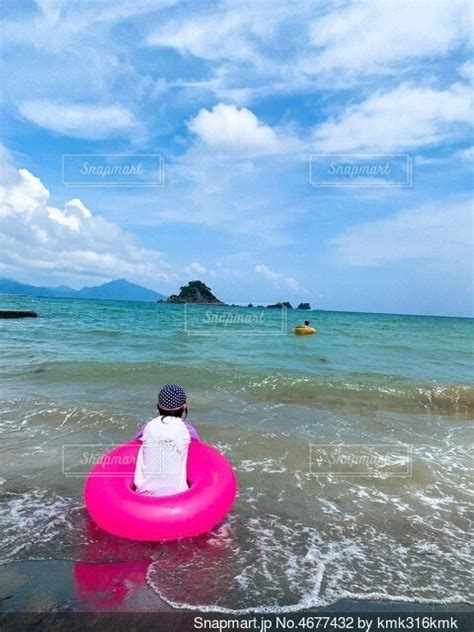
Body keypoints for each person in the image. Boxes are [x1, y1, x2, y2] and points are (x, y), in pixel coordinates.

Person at [133, 384, 200, 496]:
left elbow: (133, 445)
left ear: (158, 405)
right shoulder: (188, 430)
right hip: (178, 496)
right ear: (184, 407)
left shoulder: (148, 426)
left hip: (143, 495)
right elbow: (199, 452)